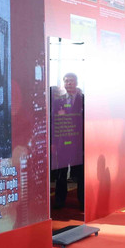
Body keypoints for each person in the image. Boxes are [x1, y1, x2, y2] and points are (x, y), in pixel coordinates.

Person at [51, 73, 85, 209]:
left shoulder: (84, 99)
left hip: (79, 143)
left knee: (81, 174)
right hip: (63, 143)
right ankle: (59, 201)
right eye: (66, 81)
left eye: (71, 81)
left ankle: (83, 202)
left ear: (76, 82)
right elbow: (54, 122)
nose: (68, 84)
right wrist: (53, 143)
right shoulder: (59, 101)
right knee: (61, 173)